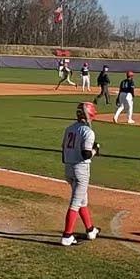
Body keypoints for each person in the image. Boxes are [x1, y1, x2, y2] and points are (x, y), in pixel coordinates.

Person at [60, 102, 102, 246]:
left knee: (82, 200)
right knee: (76, 203)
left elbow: (63, 151)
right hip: (81, 170)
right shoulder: (88, 132)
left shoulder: (69, 128)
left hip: (68, 168)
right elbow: (86, 154)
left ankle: (90, 230)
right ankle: (67, 236)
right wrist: (95, 150)